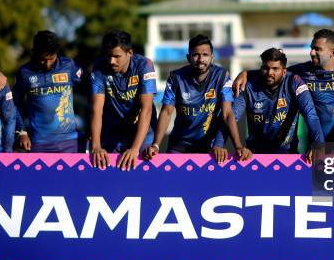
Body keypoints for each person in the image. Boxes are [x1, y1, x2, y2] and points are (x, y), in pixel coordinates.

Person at [144, 34, 251, 163]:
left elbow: (227, 114)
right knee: (173, 181)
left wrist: (238, 146)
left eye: (205, 55)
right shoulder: (176, 77)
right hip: (180, 143)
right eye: (196, 55)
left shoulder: (222, 76)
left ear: (212, 57)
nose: (201, 59)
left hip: (209, 145)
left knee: (208, 182)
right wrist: (156, 144)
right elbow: (166, 112)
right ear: (189, 58)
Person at [214, 48, 324, 162]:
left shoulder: (295, 82)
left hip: (288, 156)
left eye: (275, 69)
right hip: (253, 156)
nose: (270, 73)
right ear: (261, 68)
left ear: (284, 71)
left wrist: (318, 144)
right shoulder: (248, 85)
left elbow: (310, 114)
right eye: (266, 68)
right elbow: (231, 116)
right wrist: (218, 144)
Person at [90, 30, 157, 170]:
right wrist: (96, 146)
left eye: (116, 56)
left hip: (142, 135)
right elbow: (97, 110)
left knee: (144, 184)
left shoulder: (145, 65)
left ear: (130, 53)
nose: (111, 61)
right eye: (108, 56)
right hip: (113, 134)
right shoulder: (99, 67)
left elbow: (147, 109)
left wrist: (135, 148)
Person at [13, 30, 83, 153]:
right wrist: (21, 131)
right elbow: (15, 104)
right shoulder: (24, 72)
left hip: (69, 142)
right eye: (42, 60)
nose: (47, 64)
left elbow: (90, 91)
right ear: (33, 52)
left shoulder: (69, 66)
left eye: (51, 58)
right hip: (39, 142)